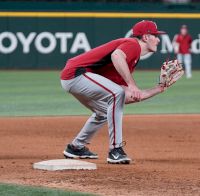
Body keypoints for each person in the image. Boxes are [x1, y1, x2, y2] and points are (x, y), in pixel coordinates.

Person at [60, 20, 168, 164]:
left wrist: (159, 88)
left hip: (75, 78)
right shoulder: (132, 44)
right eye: (155, 35)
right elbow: (116, 56)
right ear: (145, 37)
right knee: (117, 93)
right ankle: (115, 150)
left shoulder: (129, 62)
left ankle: (76, 147)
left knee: (105, 112)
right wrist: (132, 84)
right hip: (76, 74)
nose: (158, 39)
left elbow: (129, 97)